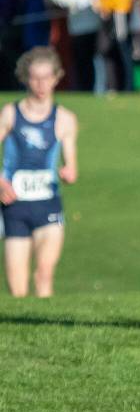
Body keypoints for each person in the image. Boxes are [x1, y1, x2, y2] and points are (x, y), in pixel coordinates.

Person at [0, 47, 79, 297]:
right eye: (35, 77)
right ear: (25, 78)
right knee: (17, 286)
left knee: (44, 274)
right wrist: (1, 183)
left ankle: (47, 327)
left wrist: (69, 172)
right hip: (15, 206)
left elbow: (72, 166)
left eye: (47, 77)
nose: (41, 84)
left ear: (56, 78)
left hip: (48, 205)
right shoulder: (10, 114)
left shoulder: (65, 119)